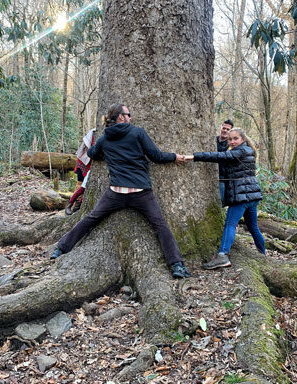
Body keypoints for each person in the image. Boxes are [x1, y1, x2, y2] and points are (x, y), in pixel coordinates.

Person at [51, 103, 191, 279]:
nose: (130, 117)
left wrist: (107, 154)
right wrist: (174, 157)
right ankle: (177, 265)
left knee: (92, 218)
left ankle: (61, 248)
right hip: (140, 192)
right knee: (160, 225)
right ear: (121, 117)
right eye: (128, 114)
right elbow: (156, 156)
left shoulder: (104, 138)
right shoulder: (137, 133)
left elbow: (93, 153)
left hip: (116, 192)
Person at [185, 128, 265, 269]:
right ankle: (263, 256)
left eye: (235, 139)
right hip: (251, 194)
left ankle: (222, 256)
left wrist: (194, 156)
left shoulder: (239, 151)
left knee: (230, 224)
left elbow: (218, 157)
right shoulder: (247, 151)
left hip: (242, 195)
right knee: (253, 227)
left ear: (243, 139)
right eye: (230, 139)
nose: (232, 141)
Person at [65, 129, 96, 215]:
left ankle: (77, 206)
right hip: (82, 165)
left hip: (91, 167)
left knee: (88, 189)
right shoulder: (93, 134)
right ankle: (71, 205)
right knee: (80, 187)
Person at [216, 120, 233, 205]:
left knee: (220, 201)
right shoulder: (212, 141)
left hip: (222, 178)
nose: (225, 130)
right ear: (220, 128)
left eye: (228, 129)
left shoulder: (231, 145)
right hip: (207, 175)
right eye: (224, 128)